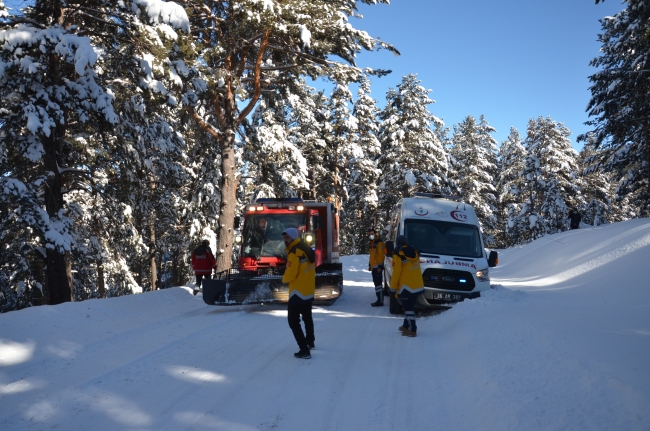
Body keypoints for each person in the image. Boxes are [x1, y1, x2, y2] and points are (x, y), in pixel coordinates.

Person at [281, 227, 316, 359]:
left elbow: (291, 274)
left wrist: (283, 279)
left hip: (297, 292)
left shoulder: (294, 253)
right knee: (307, 317)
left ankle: (304, 349)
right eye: (284, 238)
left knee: (293, 321)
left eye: (287, 237)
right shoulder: (306, 249)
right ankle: (310, 341)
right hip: (307, 290)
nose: (285, 240)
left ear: (293, 238)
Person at [389, 235, 424, 337]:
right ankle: (405, 325)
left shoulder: (398, 254)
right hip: (417, 285)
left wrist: (393, 288)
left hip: (406, 286)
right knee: (409, 305)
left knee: (408, 308)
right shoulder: (415, 252)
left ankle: (412, 329)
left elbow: (396, 273)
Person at [368, 228, 386, 306]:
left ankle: (380, 300)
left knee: (378, 284)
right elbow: (372, 256)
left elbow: (381, 256)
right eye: (370, 234)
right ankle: (379, 299)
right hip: (374, 267)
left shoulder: (380, 243)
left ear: (375, 234)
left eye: (372, 234)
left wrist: (380, 266)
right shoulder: (372, 243)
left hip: (378, 267)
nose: (371, 235)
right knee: (376, 284)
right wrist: (370, 265)